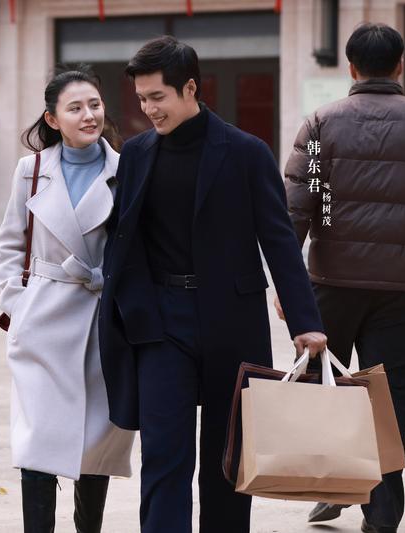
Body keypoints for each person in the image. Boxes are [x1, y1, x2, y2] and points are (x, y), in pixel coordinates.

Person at [98, 36, 327, 533]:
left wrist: (304, 321)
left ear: (190, 88)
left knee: (228, 457)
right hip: (160, 324)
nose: (148, 109)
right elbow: (124, 239)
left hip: (231, 319)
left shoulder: (246, 152)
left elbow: (279, 240)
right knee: (164, 453)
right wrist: (133, 308)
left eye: (157, 97)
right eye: (141, 99)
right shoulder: (135, 154)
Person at [280, 23, 405, 533]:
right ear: (400, 65)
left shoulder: (321, 123)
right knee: (389, 397)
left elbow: (299, 205)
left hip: (331, 281)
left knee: (327, 388)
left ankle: (334, 486)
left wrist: (289, 283)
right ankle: (382, 513)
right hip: (402, 288)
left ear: (351, 67)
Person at [0, 66, 134, 533]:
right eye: (75, 108)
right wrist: (17, 304)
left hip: (101, 321)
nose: (89, 115)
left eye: (94, 104)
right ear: (53, 119)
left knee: (95, 443)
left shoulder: (125, 170)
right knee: (37, 441)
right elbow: (10, 243)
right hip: (42, 320)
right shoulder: (31, 170)